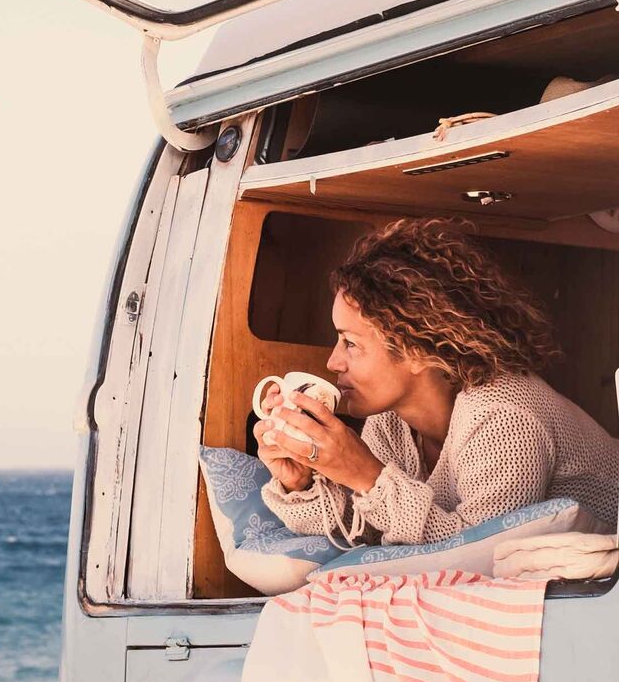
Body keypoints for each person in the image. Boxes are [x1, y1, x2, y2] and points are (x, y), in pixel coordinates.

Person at [255, 218, 619, 547]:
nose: (333, 361)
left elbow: (481, 555)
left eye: (351, 343)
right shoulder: (391, 422)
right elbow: (370, 526)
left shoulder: (505, 416)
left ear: (417, 350)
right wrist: (300, 482)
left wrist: (366, 474)